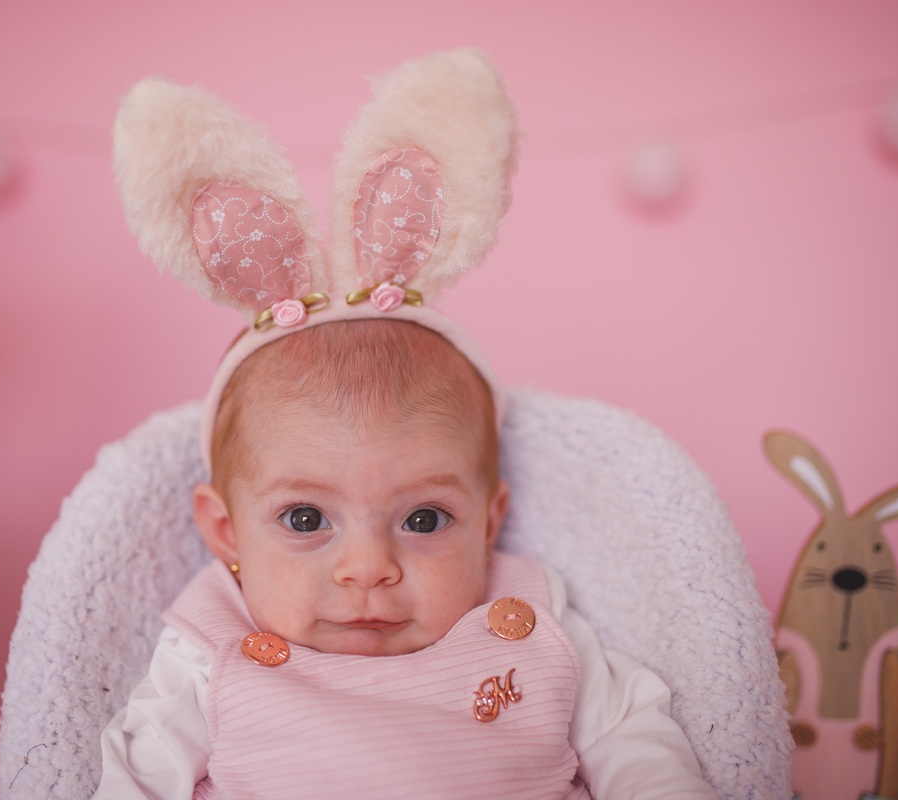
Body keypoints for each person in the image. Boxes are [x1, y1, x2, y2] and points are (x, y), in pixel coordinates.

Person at [96, 48, 720, 799]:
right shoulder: (209, 647)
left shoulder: (529, 618)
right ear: (226, 532)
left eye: (425, 519)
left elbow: (632, 739)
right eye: (304, 518)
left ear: (490, 521)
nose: (368, 569)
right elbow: (136, 777)